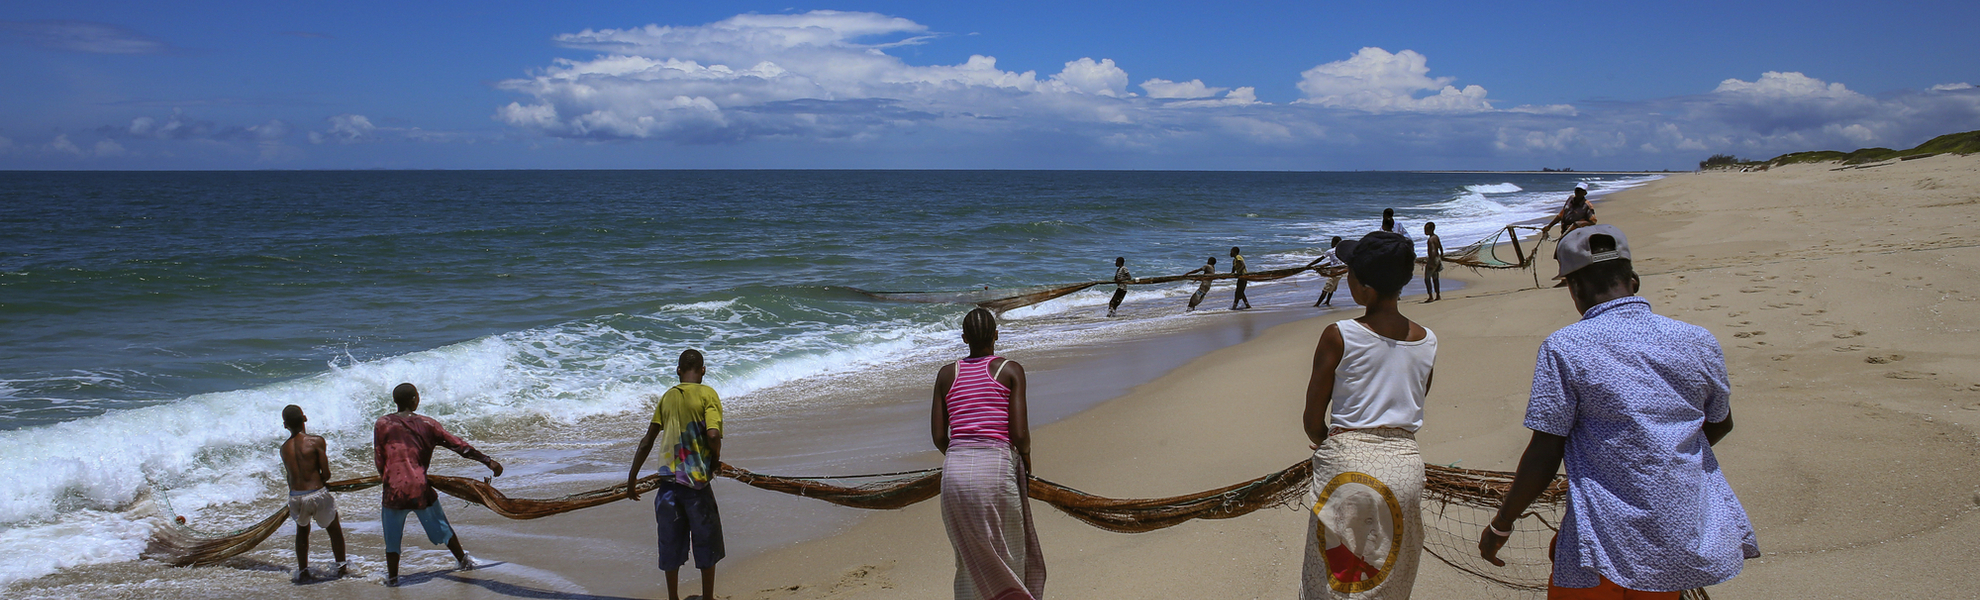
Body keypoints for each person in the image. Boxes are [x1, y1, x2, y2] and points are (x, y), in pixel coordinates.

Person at [1477, 225, 1758, 599]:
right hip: (1679, 534)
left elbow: (1545, 452)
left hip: (1600, 541)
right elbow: (1721, 421)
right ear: (1634, 281)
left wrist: (1502, 523)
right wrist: (1660, 454)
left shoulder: (1565, 347)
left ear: (1574, 289)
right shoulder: (1697, 339)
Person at [1300, 231, 1434, 599]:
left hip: (1347, 469)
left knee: (1334, 579)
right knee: (1387, 576)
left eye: (1350, 273)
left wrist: (1327, 443)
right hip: (1406, 469)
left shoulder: (1339, 334)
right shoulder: (1427, 339)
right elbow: (1415, 400)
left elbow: (1313, 418)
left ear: (1364, 288)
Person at [931, 308, 1044, 600]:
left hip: (953, 475)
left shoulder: (946, 374)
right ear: (996, 335)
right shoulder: (1010, 370)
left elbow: (939, 437)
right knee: (1009, 555)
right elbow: (1019, 435)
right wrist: (1026, 457)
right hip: (995, 470)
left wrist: (962, 457)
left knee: (968, 560)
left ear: (964, 338)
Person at [374, 383, 504, 587]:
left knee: (392, 538)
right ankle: (463, 561)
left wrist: (388, 479)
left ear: (395, 402)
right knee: (443, 528)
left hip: (393, 490)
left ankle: (392, 578)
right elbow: (460, 446)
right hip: (419, 488)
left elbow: (379, 459)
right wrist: (488, 461)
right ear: (415, 399)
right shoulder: (428, 424)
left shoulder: (382, 424)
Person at [627, 349, 727, 600]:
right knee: (706, 543)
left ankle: (673, 598)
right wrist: (714, 461)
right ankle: (707, 598)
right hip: (697, 486)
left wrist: (631, 480)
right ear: (703, 370)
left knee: (669, 545)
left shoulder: (668, 397)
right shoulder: (708, 395)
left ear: (678, 370)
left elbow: (646, 441)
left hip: (667, 486)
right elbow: (713, 435)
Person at [280, 405, 347, 583]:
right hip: (317, 493)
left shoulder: (284, 448)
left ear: (285, 425)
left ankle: (303, 571)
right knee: (334, 529)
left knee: (302, 532)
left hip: (295, 496)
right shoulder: (316, 441)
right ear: (305, 418)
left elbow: (290, 477)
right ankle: (341, 567)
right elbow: (326, 474)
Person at [1306, 237, 1345, 307]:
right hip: (1340, 272)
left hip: (1334, 273)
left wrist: (1309, 265)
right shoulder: (1341, 251)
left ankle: (1317, 304)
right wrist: (1325, 265)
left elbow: (1320, 259)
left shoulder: (1330, 251)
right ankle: (1327, 301)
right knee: (1332, 287)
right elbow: (1336, 261)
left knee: (1326, 289)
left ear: (1333, 242)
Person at [1422, 222, 1444, 303]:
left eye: (1426, 229)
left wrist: (1430, 261)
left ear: (1432, 229)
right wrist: (1441, 256)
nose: (1425, 231)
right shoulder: (1436, 237)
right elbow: (1440, 248)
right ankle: (1438, 295)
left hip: (1433, 259)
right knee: (1435, 278)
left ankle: (1430, 296)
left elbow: (1432, 251)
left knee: (1427, 278)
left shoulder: (1430, 240)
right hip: (1437, 259)